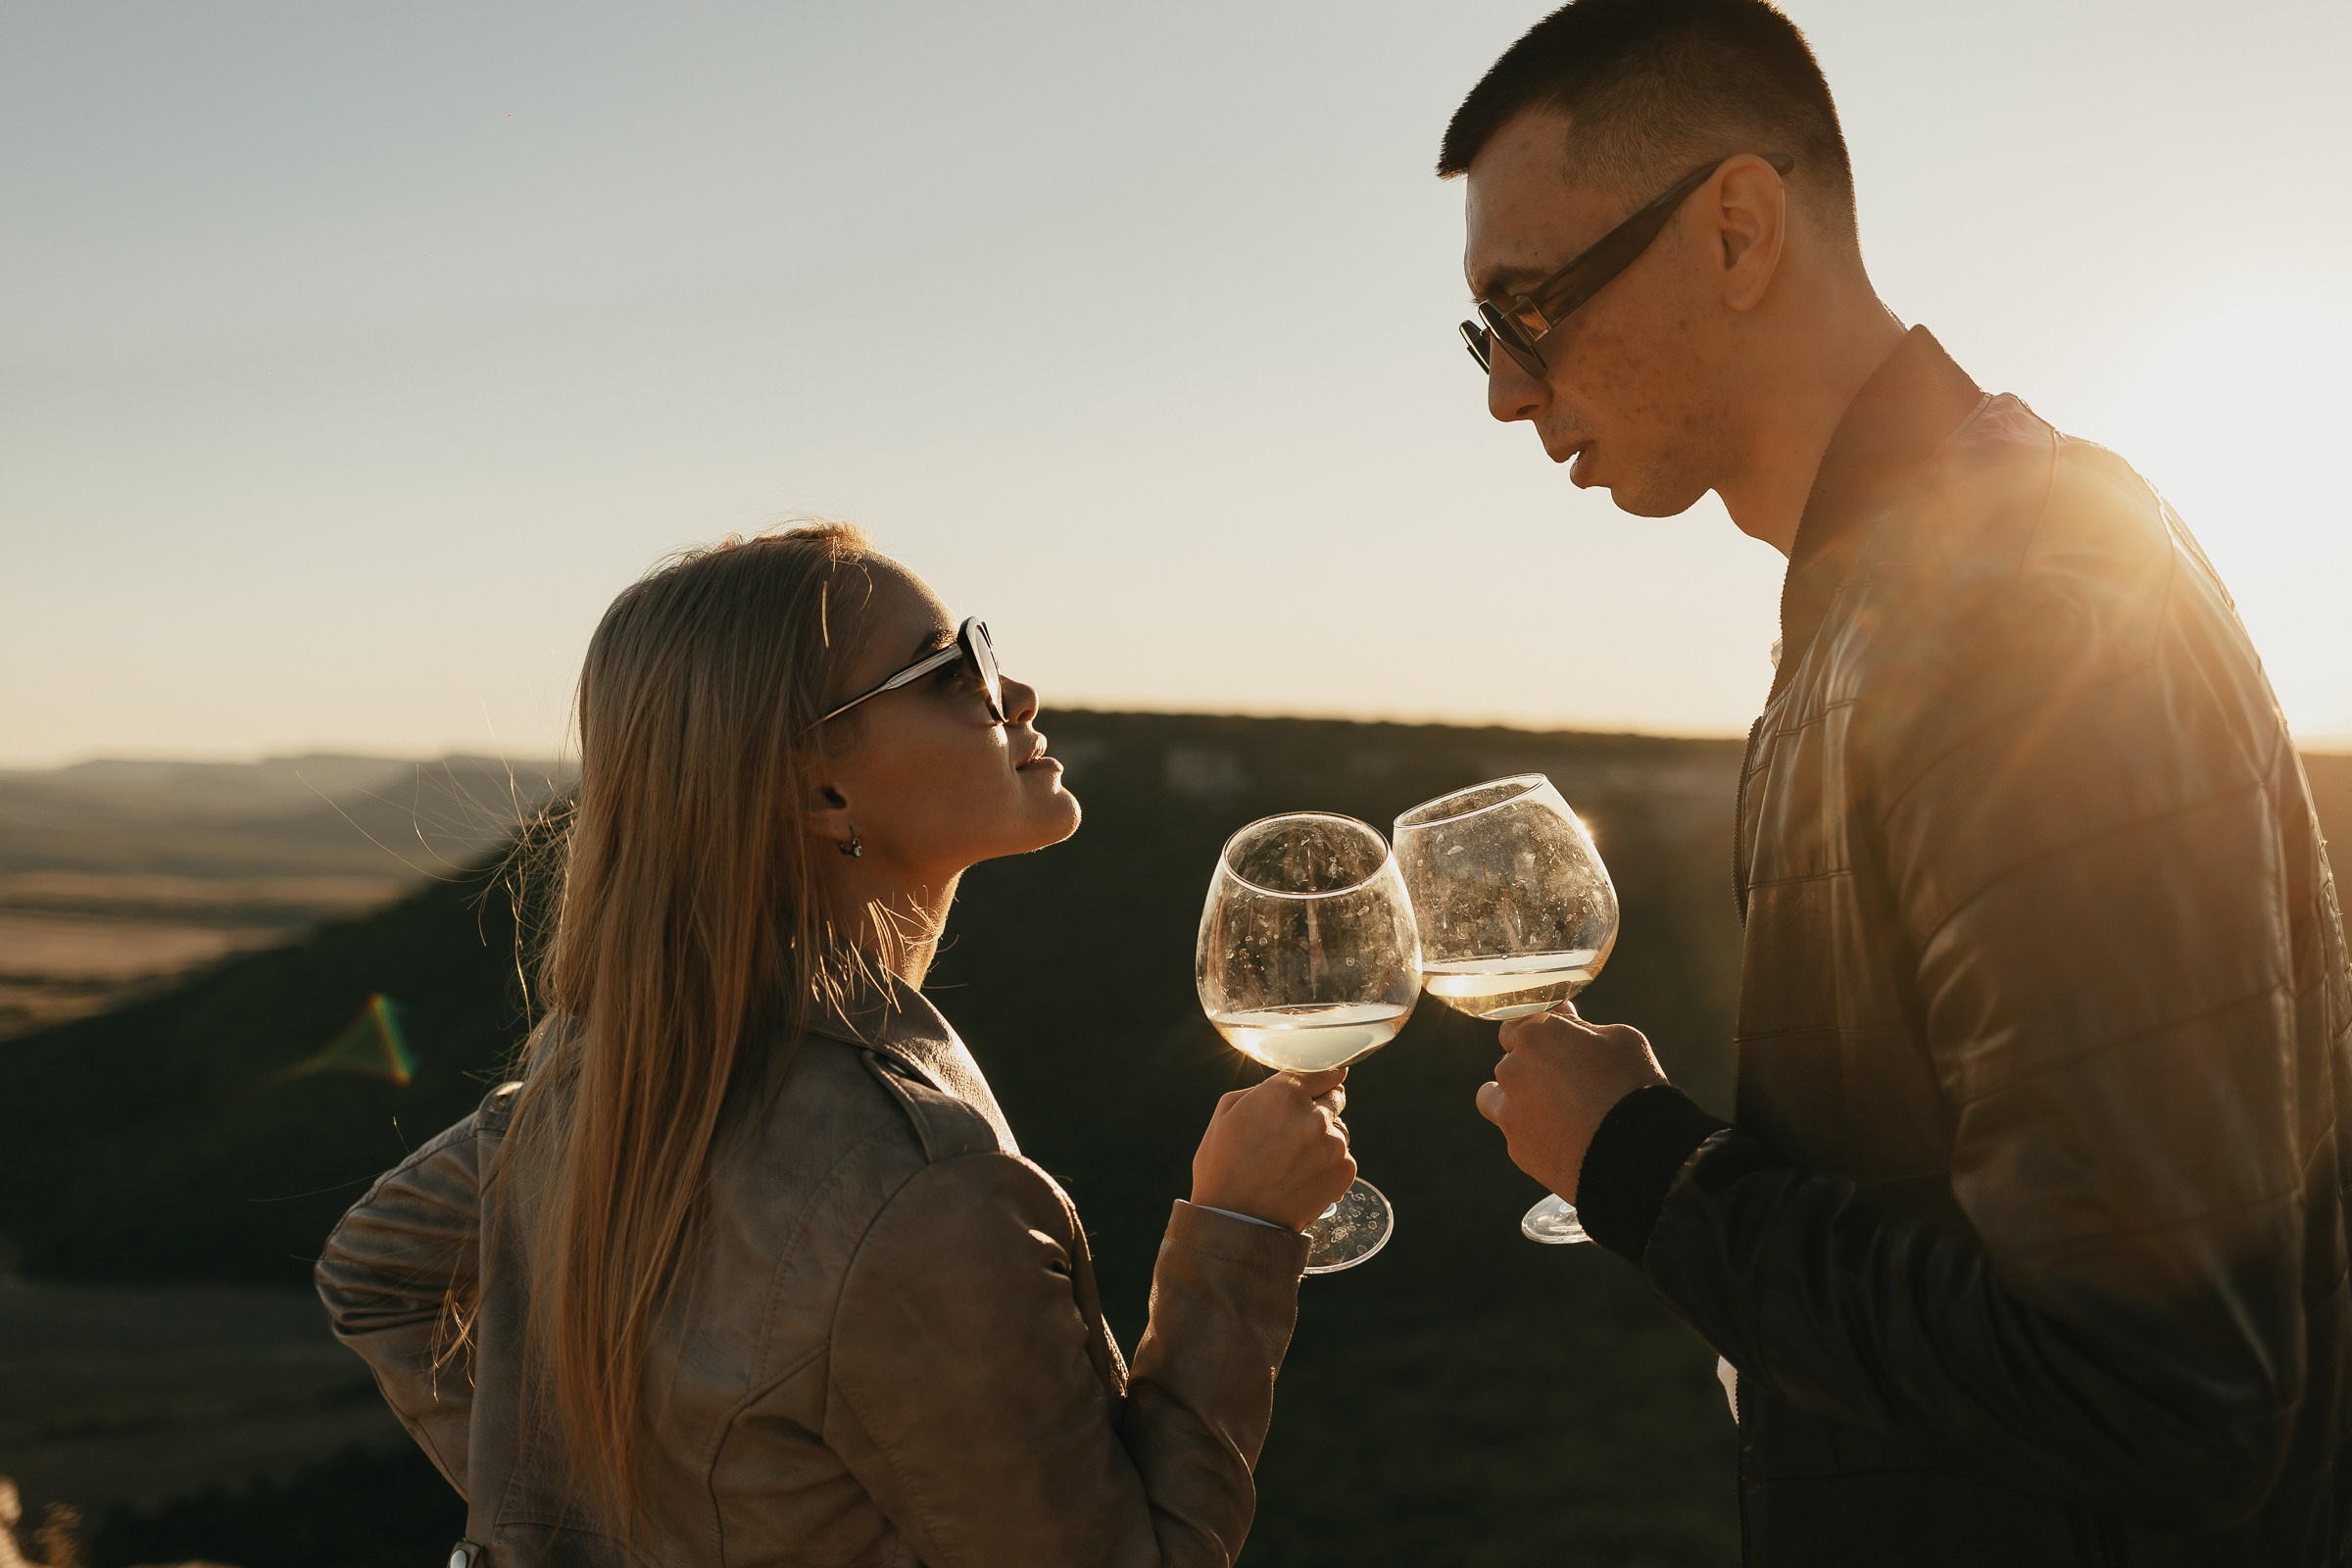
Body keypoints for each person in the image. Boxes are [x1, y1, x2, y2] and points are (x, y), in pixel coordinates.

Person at [1439, 2, 2352, 1563]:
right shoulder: (1889, 597)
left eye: (1530, 311)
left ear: (1735, 229)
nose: (1507, 396)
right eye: (1486, 337)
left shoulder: (2021, 613)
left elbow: (2165, 1395)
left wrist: (1645, 1170)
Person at [316, 525, 1354, 1566]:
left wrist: (578, 1517)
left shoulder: (611, 1077)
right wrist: (1242, 1226)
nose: (1017, 692)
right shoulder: (923, 1192)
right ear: (819, 791)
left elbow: (373, 1272)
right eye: (955, 669)